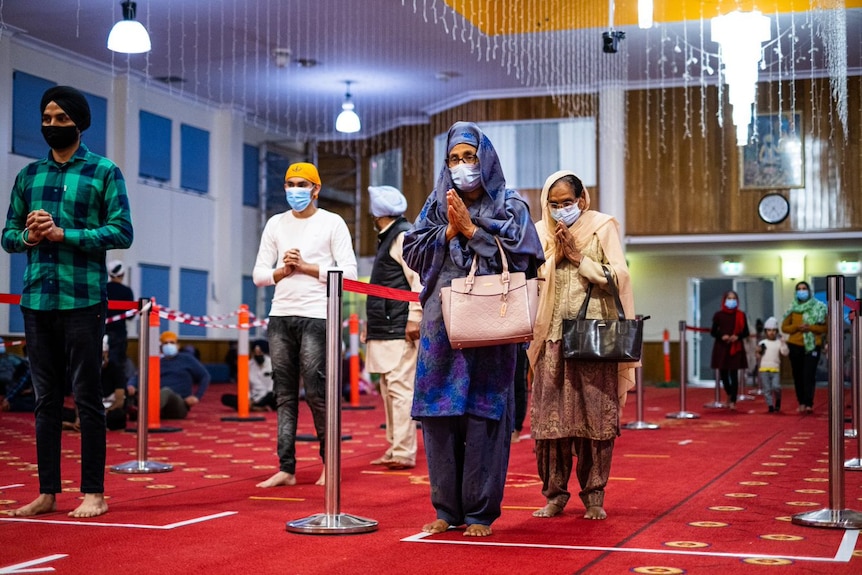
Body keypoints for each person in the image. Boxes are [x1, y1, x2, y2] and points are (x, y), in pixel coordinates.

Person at [402, 121, 544, 537]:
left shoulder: (511, 206)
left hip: (492, 326)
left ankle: (480, 513)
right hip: (440, 329)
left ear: (486, 158)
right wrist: (448, 229)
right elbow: (412, 249)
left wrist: (472, 230)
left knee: (484, 416)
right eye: (455, 158)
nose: (463, 166)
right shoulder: (434, 205)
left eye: (470, 156)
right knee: (439, 417)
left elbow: (525, 257)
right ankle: (447, 510)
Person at [1, 85, 133, 518]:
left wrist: (64, 234)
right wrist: (30, 235)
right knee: (45, 399)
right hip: (38, 298)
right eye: (46, 118)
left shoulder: (103, 172)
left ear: (79, 123)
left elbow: (122, 232)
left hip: (83, 299)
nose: (52, 125)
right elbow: (7, 238)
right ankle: (47, 492)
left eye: (60, 118)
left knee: (87, 396)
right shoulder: (28, 175)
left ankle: (93, 492)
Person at [527, 170, 636, 522]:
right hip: (551, 340)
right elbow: (528, 278)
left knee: (595, 423)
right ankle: (555, 495)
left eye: (567, 203)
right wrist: (555, 256)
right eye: (554, 204)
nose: (561, 210)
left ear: (582, 200)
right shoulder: (539, 231)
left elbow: (619, 277)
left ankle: (594, 496)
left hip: (594, 341)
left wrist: (579, 259)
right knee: (550, 426)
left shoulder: (602, 226)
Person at [252, 162, 357, 488]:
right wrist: (283, 271)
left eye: (301, 184)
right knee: (283, 395)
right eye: (289, 183)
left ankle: (331, 464)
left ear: (316, 188)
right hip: (280, 316)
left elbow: (350, 274)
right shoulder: (275, 224)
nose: (294, 190)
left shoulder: (332, 222)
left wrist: (309, 268)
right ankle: (286, 467)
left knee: (317, 394)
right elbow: (258, 275)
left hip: (319, 316)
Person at [364, 185, 422, 470]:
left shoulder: (402, 236)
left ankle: (403, 451)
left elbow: (417, 279)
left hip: (399, 325)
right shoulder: (390, 236)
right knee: (389, 388)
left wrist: (415, 315)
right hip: (386, 326)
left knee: (400, 389)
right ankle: (395, 446)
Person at [781, 281, 827, 414]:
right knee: (798, 375)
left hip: (813, 345)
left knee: (809, 375)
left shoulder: (818, 307)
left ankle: (809, 403)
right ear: (796, 292)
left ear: (809, 291)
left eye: (804, 288)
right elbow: (784, 327)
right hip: (795, 345)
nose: (802, 291)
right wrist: (797, 327)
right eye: (799, 289)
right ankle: (801, 402)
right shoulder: (792, 308)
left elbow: (825, 327)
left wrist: (810, 327)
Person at [710, 290, 750, 411]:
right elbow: (713, 331)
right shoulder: (718, 315)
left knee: (734, 374)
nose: (731, 301)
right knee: (723, 374)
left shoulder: (741, 315)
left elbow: (746, 332)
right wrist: (722, 336)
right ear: (724, 300)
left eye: (734, 298)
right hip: (722, 347)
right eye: (729, 298)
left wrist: (737, 336)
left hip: (735, 347)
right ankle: (729, 393)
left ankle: (733, 400)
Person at [221, 339, 277, 411]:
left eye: (260, 352)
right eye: (255, 352)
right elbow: (245, 387)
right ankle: (256, 408)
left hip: (268, 396)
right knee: (225, 398)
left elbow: (272, 388)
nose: (257, 355)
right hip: (253, 396)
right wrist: (248, 399)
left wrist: (258, 401)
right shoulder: (248, 365)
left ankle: (253, 407)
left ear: (264, 352)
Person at [105, 260, 134, 367]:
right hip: (118, 334)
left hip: (99, 332)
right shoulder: (126, 291)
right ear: (123, 274)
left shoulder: (102, 289)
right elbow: (131, 315)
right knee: (116, 366)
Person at [757, 317, 789, 413]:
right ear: (765, 331)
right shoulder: (762, 343)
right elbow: (758, 356)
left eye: (774, 330)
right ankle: (770, 405)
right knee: (767, 389)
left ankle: (778, 400)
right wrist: (758, 351)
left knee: (776, 387)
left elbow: (785, 353)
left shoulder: (779, 343)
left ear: (777, 331)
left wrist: (783, 343)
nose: (771, 332)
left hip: (775, 369)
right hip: (764, 369)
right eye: (769, 330)